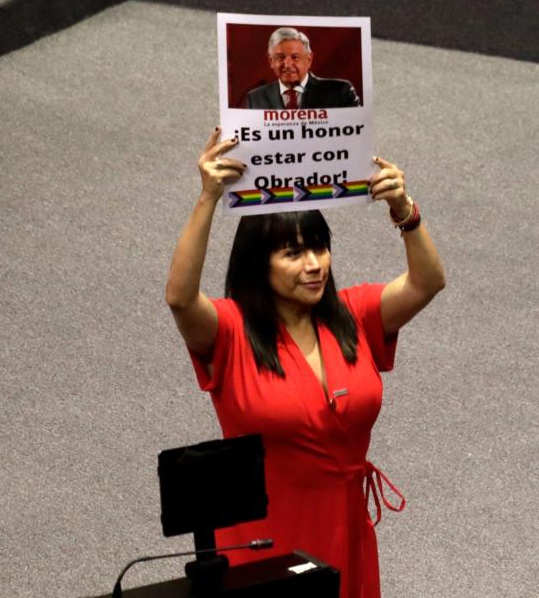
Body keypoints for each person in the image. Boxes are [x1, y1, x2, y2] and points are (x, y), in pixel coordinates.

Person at [165, 128, 445, 598]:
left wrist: (405, 212)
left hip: (345, 527)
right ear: (259, 264)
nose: (314, 263)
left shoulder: (354, 315)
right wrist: (208, 198)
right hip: (263, 546)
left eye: (319, 247)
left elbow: (427, 282)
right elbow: (179, 298)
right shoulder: (229, 331)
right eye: (293, 252)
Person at [245, 27, 361, 109]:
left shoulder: (340, 92)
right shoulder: (255, 99)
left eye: (295, 57)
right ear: (271, 61)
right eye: (280, 57)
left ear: (308, 60)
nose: (288, 64)